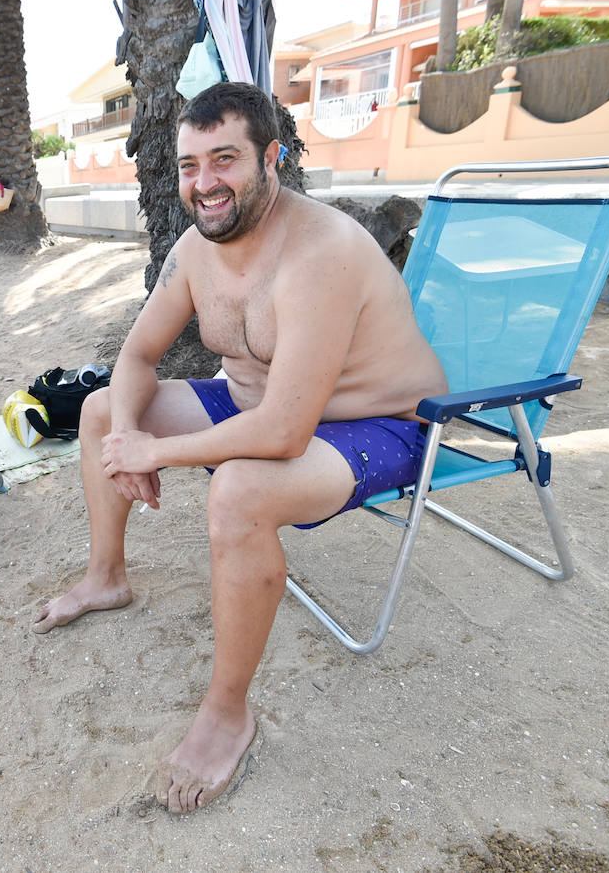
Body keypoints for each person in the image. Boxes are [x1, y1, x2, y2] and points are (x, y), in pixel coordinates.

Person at [29, 82, 450, 814]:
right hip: (260, 401)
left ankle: (228, 713)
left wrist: (154, 456)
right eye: (190, 166)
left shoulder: (323, 250)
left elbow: (286, 434)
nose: (205, 183)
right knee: (100, 409)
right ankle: (106, 577)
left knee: (240, 492)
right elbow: (135, 359)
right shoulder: (197, 249)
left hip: (376, 426)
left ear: (272, 158)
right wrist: (127, 436)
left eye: (225, 159)